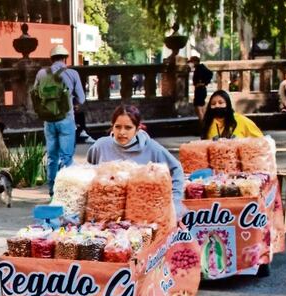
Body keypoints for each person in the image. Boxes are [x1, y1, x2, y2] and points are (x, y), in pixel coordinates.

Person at [87, 105, 184, 206]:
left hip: (142, 208)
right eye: (118, 127)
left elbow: (176, 169)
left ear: (137, 129)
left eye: (128, 128)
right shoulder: (100, 146)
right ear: (112, 126)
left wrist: (175, 201)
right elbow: (89, 172)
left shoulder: (151, 148)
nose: (122, 132)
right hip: (107, 208)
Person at [34, 44, 86, 196]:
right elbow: (81, 98)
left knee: (52, 157)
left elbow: (35, 94)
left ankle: (52, 190)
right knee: (66, 157)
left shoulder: (41, 73)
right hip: (66, 119)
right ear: (65, 58)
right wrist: (72, 101)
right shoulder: (72, 73)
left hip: (49, 120)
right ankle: (66, 191)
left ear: (51, 59)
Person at [189, 55, 213, 122]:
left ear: (195, 62)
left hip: (201, 89)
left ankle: (203, 122)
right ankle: (204, 121)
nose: (191, 64)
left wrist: (204, 83)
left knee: (199, 106)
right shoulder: (198, 68)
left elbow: (210, 73)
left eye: (192, 62)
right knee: (200, 105)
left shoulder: (201, 68)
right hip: (199, 89)